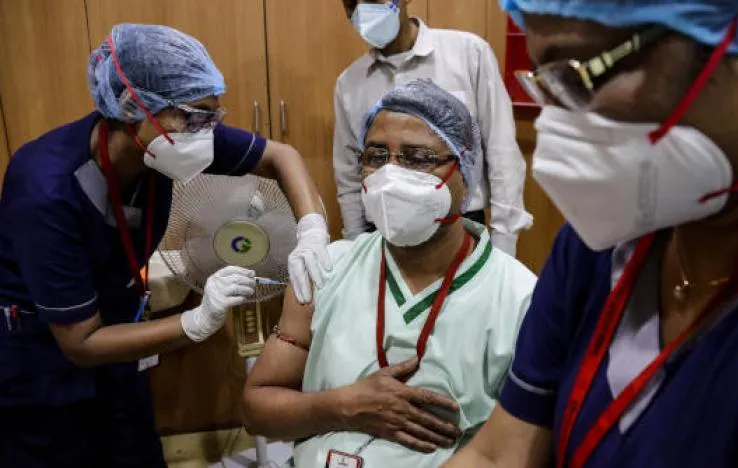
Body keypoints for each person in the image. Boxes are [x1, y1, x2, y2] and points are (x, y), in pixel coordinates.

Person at [444, 1, 738, 467]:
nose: (555, 125)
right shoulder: (607, 238)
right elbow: (498, 454)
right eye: (547, 83)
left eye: (578, 75)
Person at [0, 24, 332, 467]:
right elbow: (81, 342)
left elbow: (281, 156)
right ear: (132, 107)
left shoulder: (166, 141)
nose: (206, 133)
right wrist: (195, 321)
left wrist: (311, 229)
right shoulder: (46, 190)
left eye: (213, 117)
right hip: (43, 369)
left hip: (119, 346)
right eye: (195, 117)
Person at [243, 79, 537, 467]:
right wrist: (343, 406)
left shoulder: (519, 298)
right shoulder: (325, 269)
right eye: (376, 156)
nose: (390, 174)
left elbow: (524, 451)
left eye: (417, 158)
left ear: (466, 170)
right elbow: (257, 410)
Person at [334, 0, 533, 256]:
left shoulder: (468, 54)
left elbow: (501, 149)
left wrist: (504, 241)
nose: (362, 10)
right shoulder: (350, 83)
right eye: (351, 4)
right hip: (383, 231)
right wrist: (355, 245)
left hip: (459, 225)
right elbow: (349, 174)